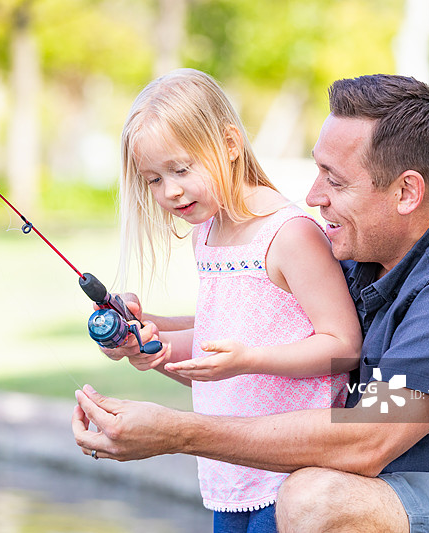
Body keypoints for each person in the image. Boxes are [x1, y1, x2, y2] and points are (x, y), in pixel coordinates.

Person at [72, 73, 429, 533]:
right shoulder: (367, 251)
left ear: (407, 191)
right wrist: (148, 330)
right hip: (393, 494)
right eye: (317, 169)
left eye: (335, 181)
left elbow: (370, 430)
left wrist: (179, 433)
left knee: (315, 498)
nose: (312, 196)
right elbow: (254, 329)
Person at [95, 68, 362, 531]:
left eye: (181, 169)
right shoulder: (207, 233)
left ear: (231, 144)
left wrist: (249, 360)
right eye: (153, 179)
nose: (170, 191)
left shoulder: (290, 235)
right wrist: (147, 338)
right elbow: (219, 340)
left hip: (293, 479)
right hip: (231, 474)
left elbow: (344, 346)